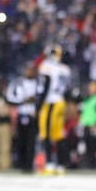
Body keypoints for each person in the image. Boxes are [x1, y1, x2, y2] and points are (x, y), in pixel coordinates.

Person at [37, 44, 71, 174]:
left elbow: (44, 86)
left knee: (46, 135)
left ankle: (50, 164)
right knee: (58, 135)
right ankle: (61, 165)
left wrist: (39, 105)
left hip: (50, 102)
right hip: (61, 102)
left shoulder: (47, 66)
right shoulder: (65, 69)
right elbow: (67, 90)